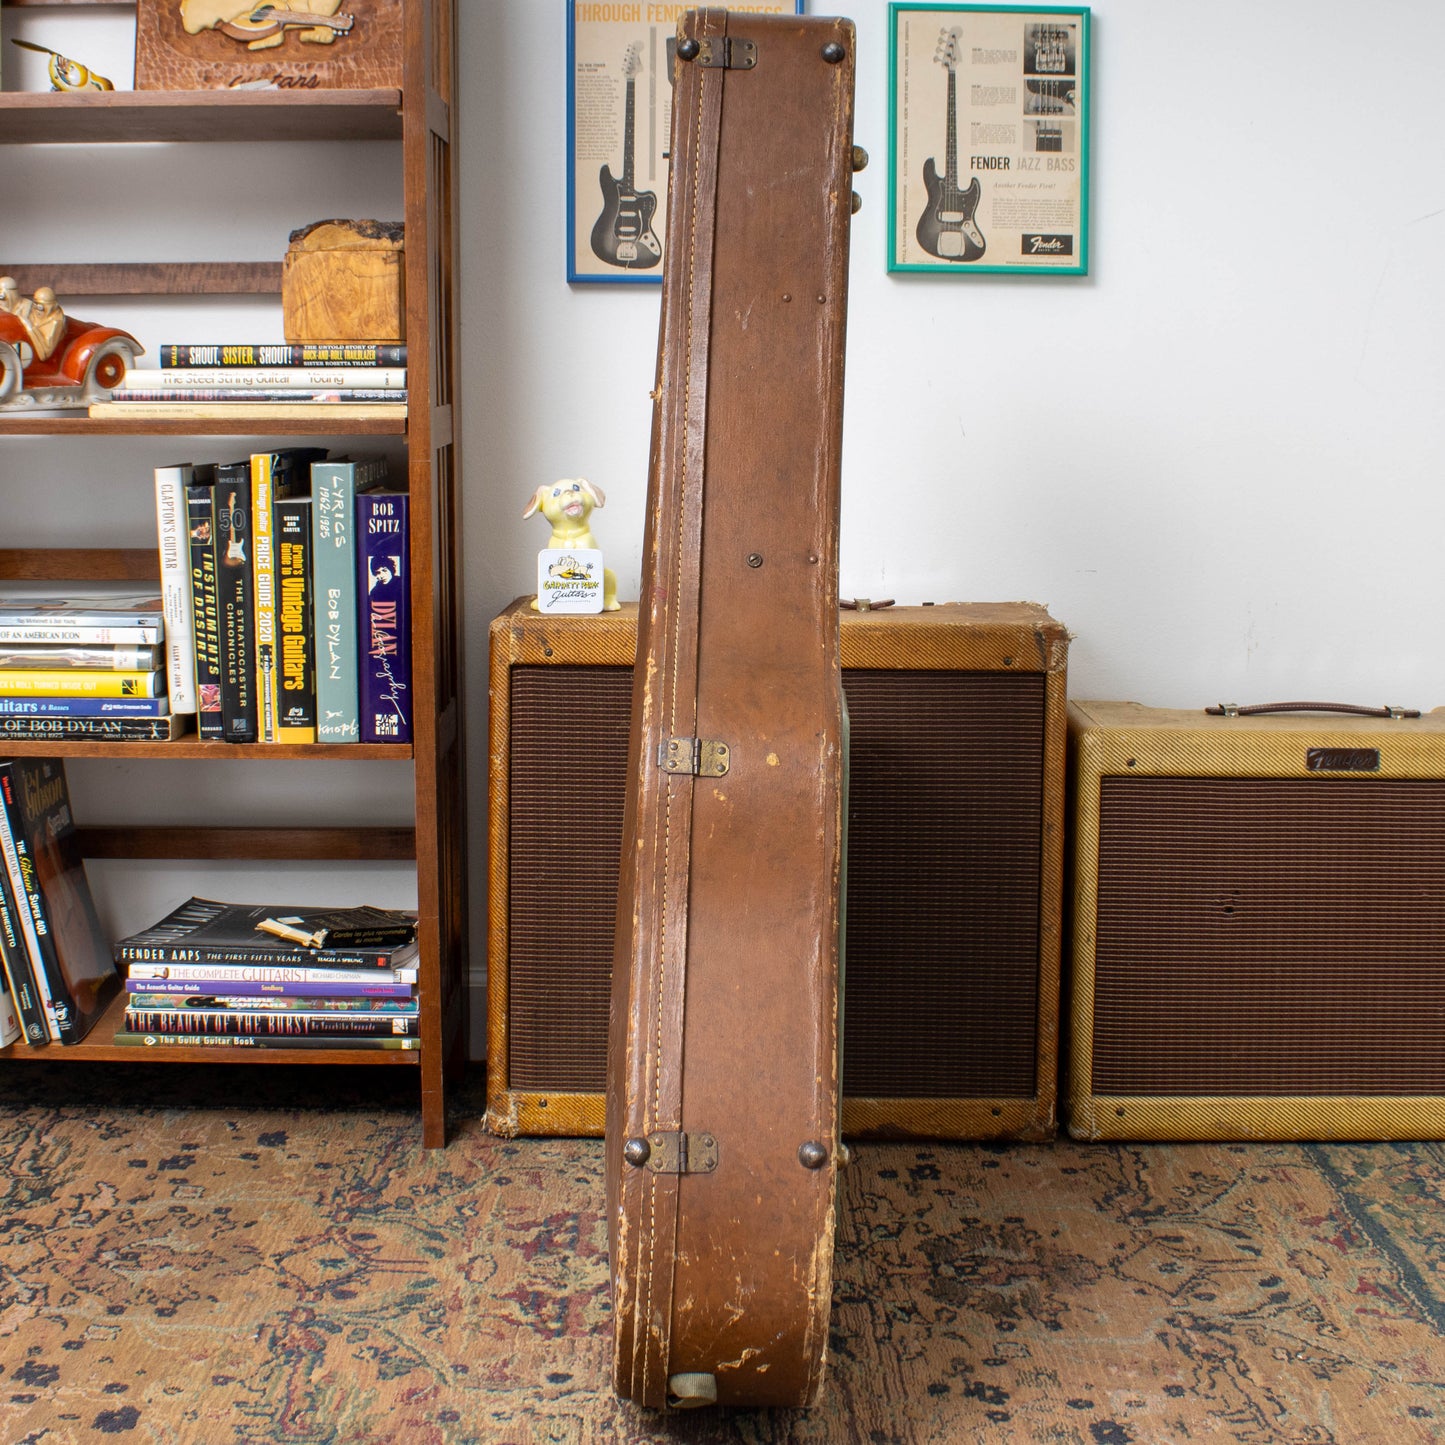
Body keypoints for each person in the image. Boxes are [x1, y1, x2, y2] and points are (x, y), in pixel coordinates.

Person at [19, 287, 66, 361]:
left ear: (53, 306)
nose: (37, 309)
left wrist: (30, 328)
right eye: (35, 304)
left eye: (41, 306)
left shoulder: (56, 322)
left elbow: (45, 354)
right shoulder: (33, 311)